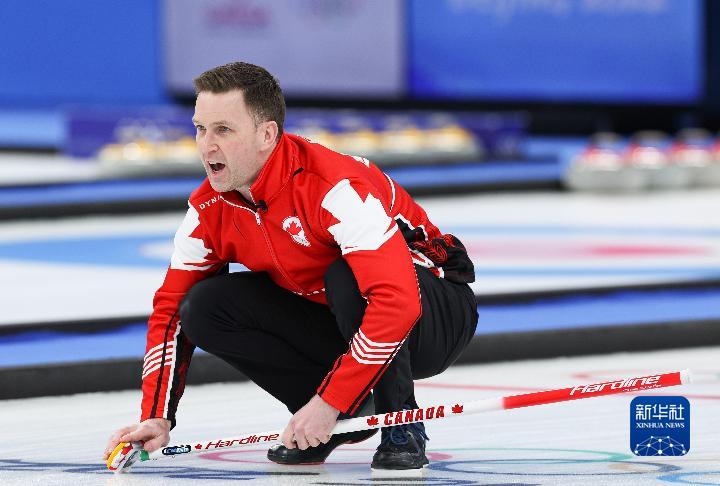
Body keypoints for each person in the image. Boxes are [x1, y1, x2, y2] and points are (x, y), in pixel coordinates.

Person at [103, 61, 478, 471]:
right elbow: (171, 311)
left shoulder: (334, 188)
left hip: (435, 315)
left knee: (347, 276)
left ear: (267, 135)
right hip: (337, 316)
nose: (206, 146)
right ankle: (339, 420)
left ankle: (399, 422)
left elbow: (397, 303)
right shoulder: (209, 208)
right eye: (200, 128)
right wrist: (156, 415)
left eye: (223, 130)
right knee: (203, 306)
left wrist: (330, 400)